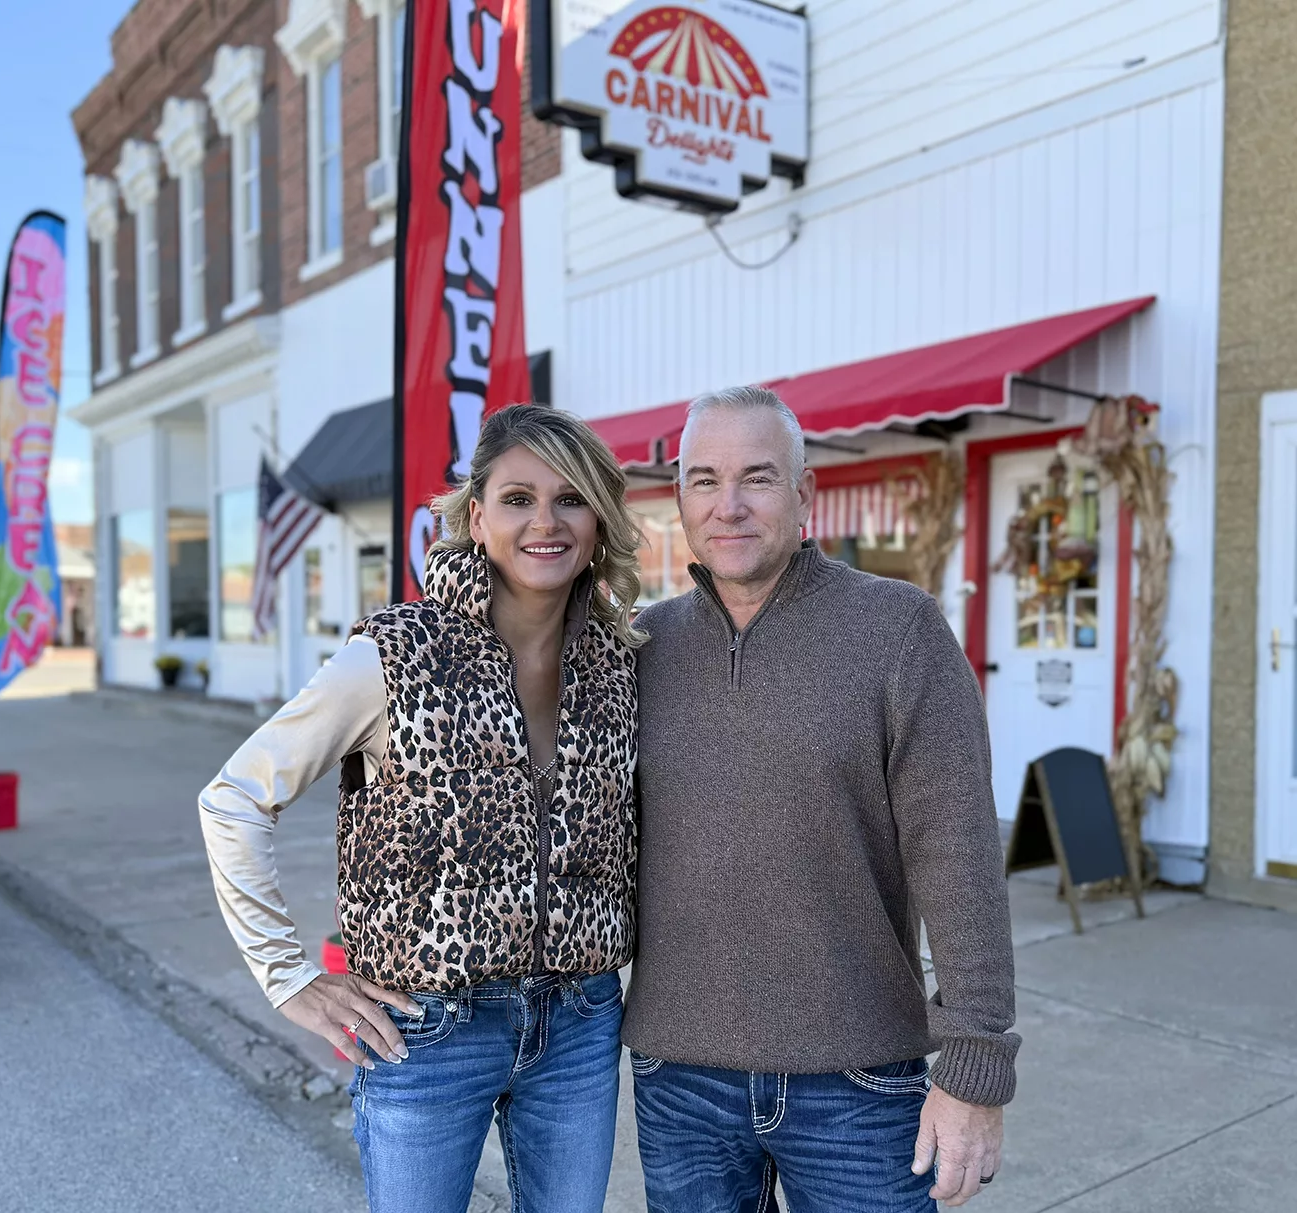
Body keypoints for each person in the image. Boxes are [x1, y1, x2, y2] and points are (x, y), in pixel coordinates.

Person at [199, 404, 645, 1213]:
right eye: (517, 498)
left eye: (570, 497)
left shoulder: (619, 664)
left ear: (599, 518)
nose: (544, 521)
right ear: (477, 517)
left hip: (580, 1021)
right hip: (428, 1029)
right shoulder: (398, 653)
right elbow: (233, 798)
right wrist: (287, 976)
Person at [626, 386, 1020, 1212]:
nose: (727, 506)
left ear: (805, 494)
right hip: (678, 1078)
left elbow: (960, 856)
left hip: (859, 1083)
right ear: (679, 500)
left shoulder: (897, 629)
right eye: (704, 480)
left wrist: (975, 1064)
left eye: (756, 478)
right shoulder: (639, 648)